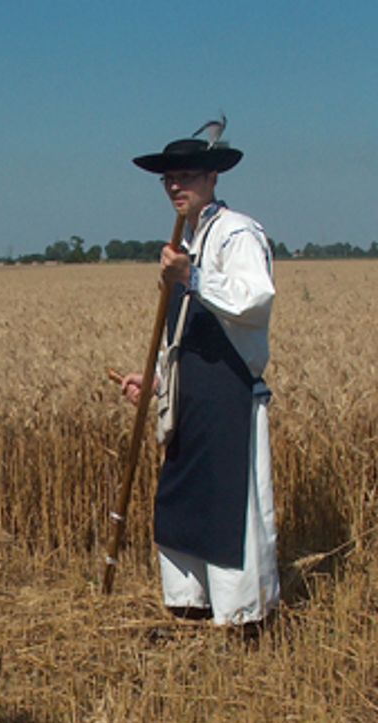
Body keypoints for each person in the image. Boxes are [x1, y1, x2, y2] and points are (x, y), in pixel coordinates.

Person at [119, 127, 279, 628]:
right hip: (192, 394)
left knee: (230, 505)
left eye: (186, 176)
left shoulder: (236, 232)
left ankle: (241, 617)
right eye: (168, 178)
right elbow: (184, 332)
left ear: (213, 177)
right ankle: (190, 602)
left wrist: (192, 277)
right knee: (182, 499)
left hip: (229, 391)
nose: (174, 186)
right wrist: (158, 382)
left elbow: (254, 299)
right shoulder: (188, 238)